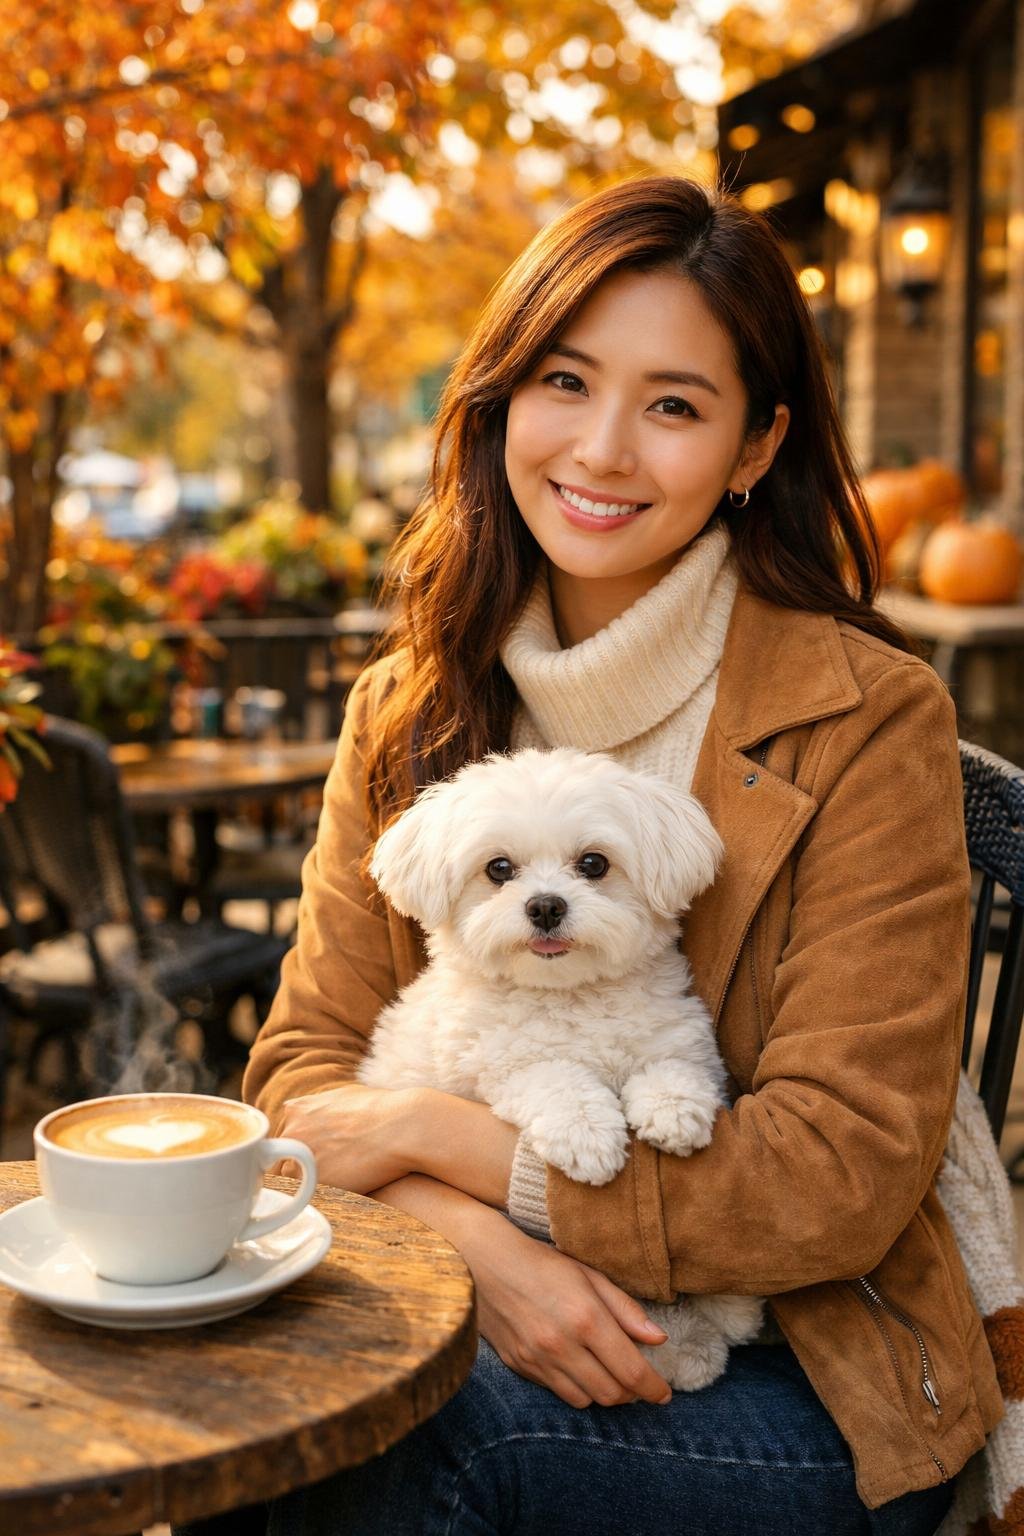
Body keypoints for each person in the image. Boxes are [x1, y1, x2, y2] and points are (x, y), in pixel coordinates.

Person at [232, 177, 1003, 1534]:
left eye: (673, 405)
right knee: (261, 1395)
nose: (600, 449)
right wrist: (488, 1248)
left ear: (755, 446)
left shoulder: (866, 718)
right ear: (501, 400)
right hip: (478, 1296)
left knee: (397, 1447)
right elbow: (301, 1071)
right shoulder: (409, 712)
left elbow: (836, 1173)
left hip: (808, 1362)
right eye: (566, 381)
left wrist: (441, 1142)